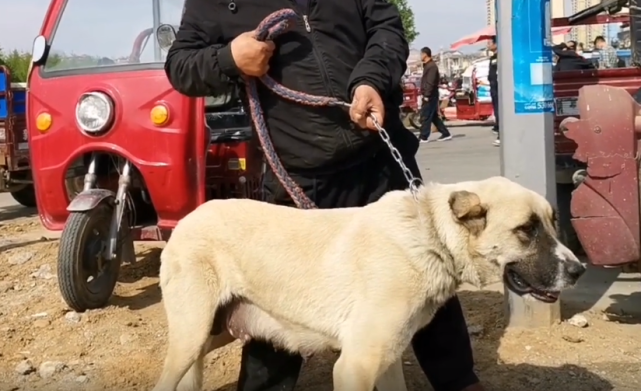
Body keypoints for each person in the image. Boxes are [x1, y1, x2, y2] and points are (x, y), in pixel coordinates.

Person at [165, 0, 483, 391]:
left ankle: (458, 381)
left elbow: (386, 28)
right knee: (278, 301)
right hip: (297, 170)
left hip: (377, 158)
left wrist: (370, 79)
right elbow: (181, 66)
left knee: (431, 277)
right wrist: (229, 58)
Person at [418, 47, 452, 143]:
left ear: (425, 54)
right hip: (428, 94)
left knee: (426, 115)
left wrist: (427, 95)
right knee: (433, 116)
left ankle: (423, 136)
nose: (420, 56)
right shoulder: (427, 66)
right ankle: (445, 133)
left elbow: (430, 82)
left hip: (430, 95)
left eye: (421, 54)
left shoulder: (432, 66)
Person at [487, 36, 500, 146]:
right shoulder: (493, 57)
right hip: (493, 87)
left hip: (499, 87)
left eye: (489, 43)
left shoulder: (500, 56)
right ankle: (498, 127)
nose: (488, 45)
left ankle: (501, 134)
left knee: (500, 111)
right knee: (497, 110)